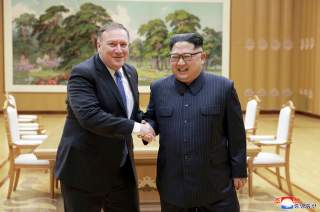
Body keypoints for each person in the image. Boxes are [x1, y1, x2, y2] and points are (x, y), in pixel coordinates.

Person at [55, 22, 154, 212]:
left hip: (122, 169)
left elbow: (129, 113)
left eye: (123, 44)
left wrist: (144, 122)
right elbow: (91, 117)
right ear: (99, 45)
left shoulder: (130, 72)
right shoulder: (82, 73)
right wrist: (138, 128)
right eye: (112, 44)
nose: (119, 50)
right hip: (84, 170)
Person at [143, 32, 247, 211]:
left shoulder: (223, 88)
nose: (181, 63)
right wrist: (148, 126)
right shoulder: (159, 88)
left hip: (216, 184)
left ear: (203, 57)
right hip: (173, 184)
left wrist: (239, 171)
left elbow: (236, 134)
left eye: (187, 57)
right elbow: (152, 117)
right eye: (175, 57)